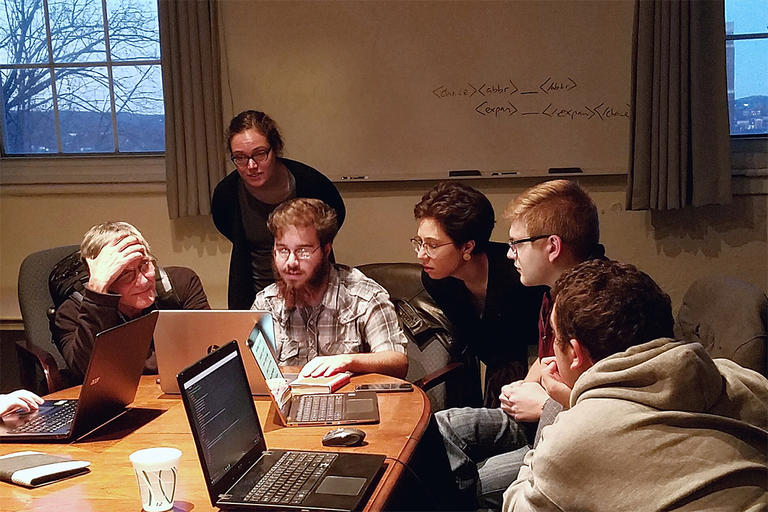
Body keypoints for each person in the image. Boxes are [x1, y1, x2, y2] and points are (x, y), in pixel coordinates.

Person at [503, 259, 768, 511]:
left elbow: (516, 505)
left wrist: (566, 407)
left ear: (575, 353)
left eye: (556, 338)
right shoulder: (744, 379)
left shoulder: (575, 437)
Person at [434, 179, 605, 510]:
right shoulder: (552, 292)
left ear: (552, 247)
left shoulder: (598, 306)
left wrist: (545, 405)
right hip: (542, 415)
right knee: (439, 426)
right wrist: (528, 384)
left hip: (567, 430)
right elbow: (547, 361)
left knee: (470, 483)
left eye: (517, 244)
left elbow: (606, 410)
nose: (509, 254)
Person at [413, 181, 545, 407]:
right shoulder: (436, 279)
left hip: (539, 366)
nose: (421, 255)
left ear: (467, 247)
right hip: (498, 369)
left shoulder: (518, 273)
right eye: (419, 243)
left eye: (432, 245)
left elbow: (538, 343)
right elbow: (480, 345)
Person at [252, 198, 408, 378]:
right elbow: (251, 371)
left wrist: (348, 361)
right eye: (283, 250)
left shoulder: (363, 296)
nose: (291, 262)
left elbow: (397, 362)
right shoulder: (267, 302)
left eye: (303, 251)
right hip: (291, 402)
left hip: (347, 400)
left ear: (326, 250)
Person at [212, 110, 346, 310]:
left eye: (259, 154)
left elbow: (333, 221)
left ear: (275, 149)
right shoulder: (227, 193)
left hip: (314, 293)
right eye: (240, 157)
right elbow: (227, 228)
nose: (251, 165)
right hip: (256, 296)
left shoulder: (312, 183)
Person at [53, 221, 210, 381]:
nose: (143, 281)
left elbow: (208, 349)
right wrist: (98, 291)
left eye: (144, 264)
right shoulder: (72, 311)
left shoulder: (181, 283)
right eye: (125, 273)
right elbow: (87, 375)